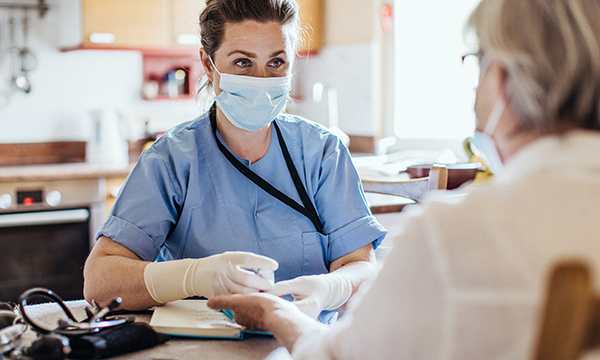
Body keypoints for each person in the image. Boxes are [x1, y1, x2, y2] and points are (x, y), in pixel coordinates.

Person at [207, 0, 600, 358]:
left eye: (475, 61)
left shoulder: (452, 232)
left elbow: (339, 357)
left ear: (499, 75)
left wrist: (277, 315)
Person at [82, 0, 387, 320]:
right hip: (201, 347)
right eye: (243, 62)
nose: (261, 79)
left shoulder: (322, 153)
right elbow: (101, 281)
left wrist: (329, 289)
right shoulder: (171, 160)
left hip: (306, 343)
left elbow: (361, 266)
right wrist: (193, 276)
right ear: (208, 64)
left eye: (276, 62)